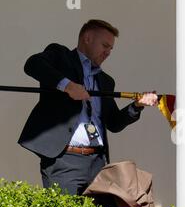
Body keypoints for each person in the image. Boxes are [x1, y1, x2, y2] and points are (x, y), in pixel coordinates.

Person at [18, 19, 158, 197]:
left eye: (111, 49)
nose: (108, 52)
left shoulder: (105, 80)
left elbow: (114, 123)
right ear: (87, 38)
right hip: (65, 159)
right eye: (105, 45)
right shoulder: (61, 56)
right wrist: (68, 86)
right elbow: (32, 64)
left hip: (98, 161)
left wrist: (137, 106)